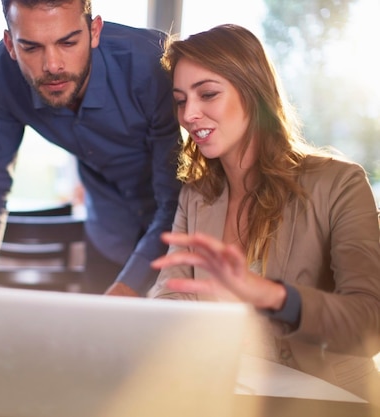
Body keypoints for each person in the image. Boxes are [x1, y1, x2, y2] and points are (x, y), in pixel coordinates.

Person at [148, 24, 380, 402]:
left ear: (253, 92)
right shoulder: (197, 194)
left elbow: (370, 321)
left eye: (207, 94)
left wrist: (271, 295)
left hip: (331, 400)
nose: (189, 114)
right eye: (180, 100)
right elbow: (171, 293)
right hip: (230, 396)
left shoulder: (339, 183)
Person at [0, 0, 181, 328]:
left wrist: (128, 288)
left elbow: (174, 199)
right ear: (11, 44)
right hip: (108, 229)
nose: (52, 65)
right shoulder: (0, 75)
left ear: (94, 31)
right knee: (90, 357)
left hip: (177, 234)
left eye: (68, 42)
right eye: (31, 47)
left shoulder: (152, 65)